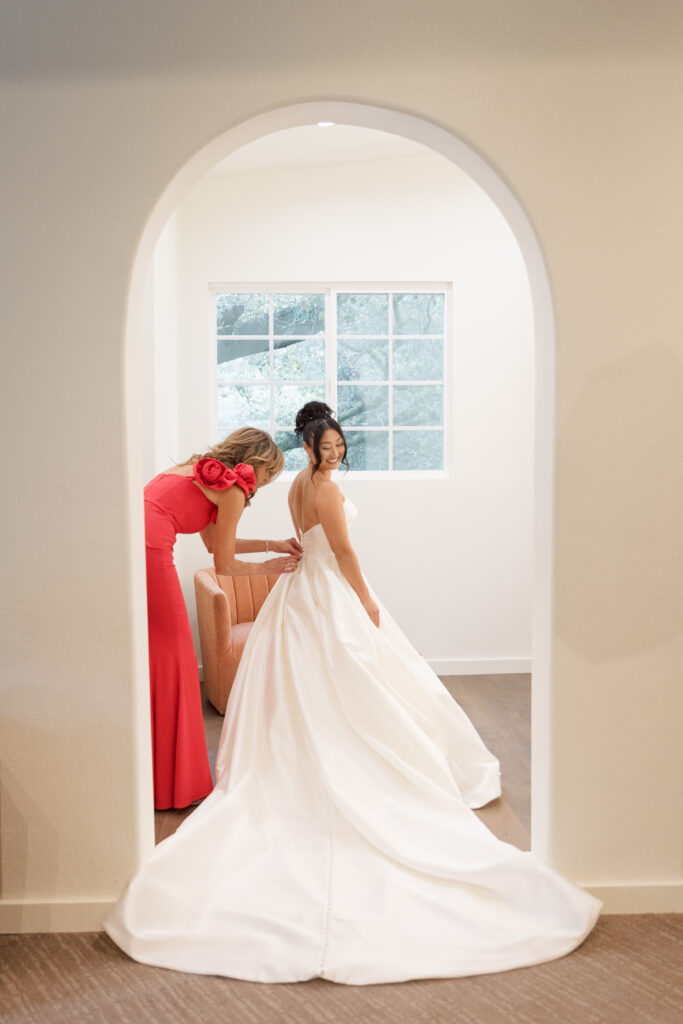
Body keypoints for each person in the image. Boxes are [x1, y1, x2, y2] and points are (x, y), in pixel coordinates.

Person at [105, 403, 600, 984]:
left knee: (313, 679)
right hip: (324, 588)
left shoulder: (293, 484)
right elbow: (339, 553)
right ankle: (352, 756)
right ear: (304, 448)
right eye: (329, 447)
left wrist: (275, 557)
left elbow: (258, 544)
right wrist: (363, 598)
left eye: (341, 446)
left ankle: (269, 757)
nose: (336, 454)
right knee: (364, 676)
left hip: (298, 592)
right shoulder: (312, 490)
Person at [143, 427, 301, 811]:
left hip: (132, 545)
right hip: (151, 551)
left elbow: (216, 543)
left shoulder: (198, 470)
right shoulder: (232, 489)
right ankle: (174, 784)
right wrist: (273, 566)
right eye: (268, 475)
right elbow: (225, 564)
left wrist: (271, 543)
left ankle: (154, 774)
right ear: (256, 463)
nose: (264, 484)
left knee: (156, 656)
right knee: (177, 656)